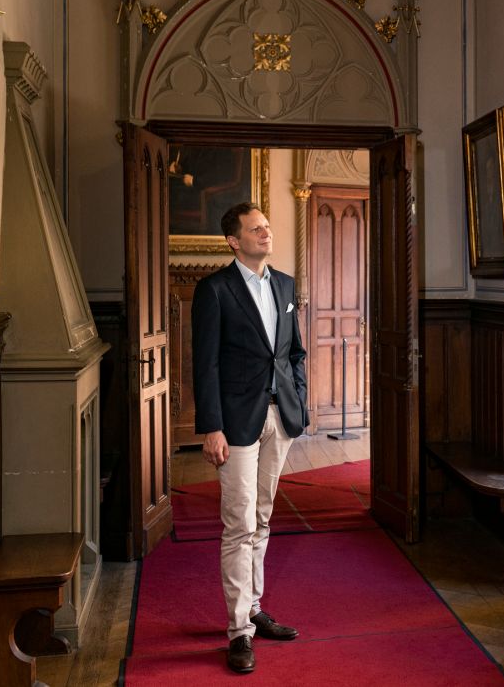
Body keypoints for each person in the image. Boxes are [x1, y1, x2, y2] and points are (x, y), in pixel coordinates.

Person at [191, 201, 308, 673]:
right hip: (235, 423)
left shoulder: (284, 285)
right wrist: (212, 426)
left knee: (261, 518)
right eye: (255, 229)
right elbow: (206, 364)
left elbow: (294, 352)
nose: (266, 232)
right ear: (233, 241)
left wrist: (299, 399)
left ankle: (254, 611)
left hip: (280, 417)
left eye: (267, 226)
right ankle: (238, 632)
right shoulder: (214, 290)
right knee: (238, 524)